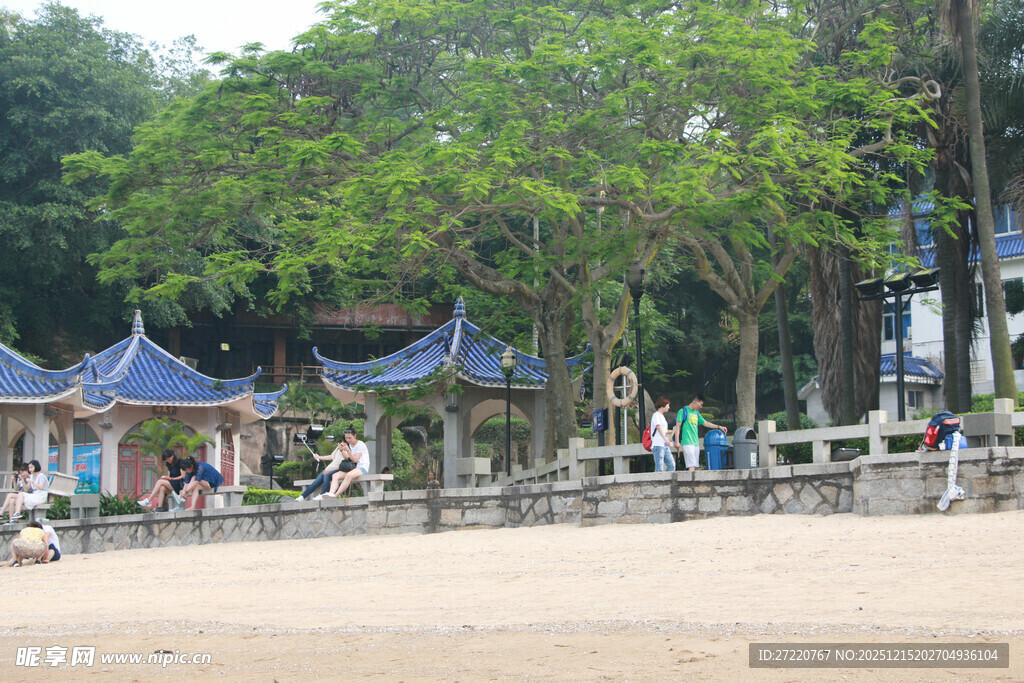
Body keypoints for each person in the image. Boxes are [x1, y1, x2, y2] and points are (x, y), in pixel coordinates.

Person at [672, 394, 728, 472]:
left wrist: (719, 426)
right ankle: (692, 483)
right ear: (695, 402)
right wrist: (677, 442)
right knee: (691, 465)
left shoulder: (696, 413)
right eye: (700, 404)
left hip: (695, 442)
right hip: (687, 442)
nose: (701, 407)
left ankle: (692, 482)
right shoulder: (683, 411)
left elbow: (705, 423)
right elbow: (678, 426)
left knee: (694, 466)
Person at [322, 427, 369, 498]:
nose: (348, 440)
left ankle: (336, 495)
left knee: (348, 475)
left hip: (362, 468)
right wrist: (342, 451)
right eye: (346, 438)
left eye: (350, 438)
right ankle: (331, 493)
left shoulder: (360, 444)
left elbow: (355, 459)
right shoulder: (349, 445)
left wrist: (348, 450)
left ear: (355, 436)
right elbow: (347, 458)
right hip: (353, 468)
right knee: (335, 475)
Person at [1, 460, 48, 524]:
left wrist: (32, 482)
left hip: (40, 496)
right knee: (11, 500)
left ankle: (13, 513)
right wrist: (23, 481)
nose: (30, 469)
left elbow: (41, 487)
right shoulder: (31, 476)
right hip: (34, 495)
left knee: (18, 494)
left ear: (36, 466)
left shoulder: (41, 476)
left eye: (31, 467)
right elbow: (27, 489)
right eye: (29, 468)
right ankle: (13, 520)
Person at [650, 397, 675, 472]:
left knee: (672, 464)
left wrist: (667, 432)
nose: (669, 407)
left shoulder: (662, 416)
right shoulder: (656, 415)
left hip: (664, 444)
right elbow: (658, 427)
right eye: (668, 405)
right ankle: (659, 482)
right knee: (659, 466)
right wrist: (666, 439)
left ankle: (666, 480)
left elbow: (662, 429)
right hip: (658, 444)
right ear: (663, 405)